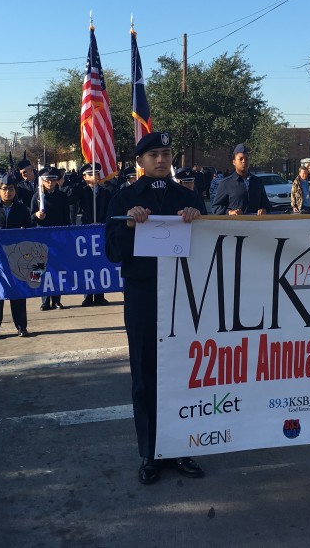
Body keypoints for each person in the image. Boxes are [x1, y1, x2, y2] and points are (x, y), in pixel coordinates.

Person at [105, 131, 206, 485]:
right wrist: (130, 226)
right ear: (140, 161)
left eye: (166, 153)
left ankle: (181, 448)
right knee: (145, 375)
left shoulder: (188, 198)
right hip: (143, 295)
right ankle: (150, 452)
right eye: (153, 155)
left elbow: (209, 250)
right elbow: (113, 253)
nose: (161, 160)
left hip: (184, 296)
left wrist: (200, 221)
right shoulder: (124, 200)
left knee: (183, 373)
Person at [0, 173, 33, 339]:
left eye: (10, 189)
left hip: (16, 258)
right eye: (4, 189)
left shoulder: (22, 209)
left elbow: (30, 231)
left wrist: (25, 232)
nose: (7, 192)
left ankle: (21, 326)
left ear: (15, 191)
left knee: (17, 291)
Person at [32, 167, 70, 310]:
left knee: (58, 268)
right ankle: (45, 300)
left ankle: (57, 299)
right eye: (47, 181)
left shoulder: (62, 196)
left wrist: (67, 234)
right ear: (43, 181)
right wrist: (36, 216)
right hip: (42, 236)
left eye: (53, 180)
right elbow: (30, 217)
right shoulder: (37, 196)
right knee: (43, 268)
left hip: (58, 236)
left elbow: (67, 217)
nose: (50, 183)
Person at [75, 162, 112, 306]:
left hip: (101, 229)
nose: (94, 176)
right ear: (84, 177)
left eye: (96, 173)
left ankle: (100, 295)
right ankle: (88, 295)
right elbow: (71, 200)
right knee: (87, 264)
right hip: (85, 229)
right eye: (90, 174)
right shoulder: (81, 191)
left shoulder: (105, 191)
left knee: (100, 262)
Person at [211, 144, 270, 215]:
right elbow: (216, 207)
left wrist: (264, 209)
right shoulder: (226, 183)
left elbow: (266, 204)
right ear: (234, 162)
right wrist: (229, 212)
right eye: (241, 159)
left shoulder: (257, 181)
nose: (244, 161)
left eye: (246, 159)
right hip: (235, 224)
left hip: (255, 224)